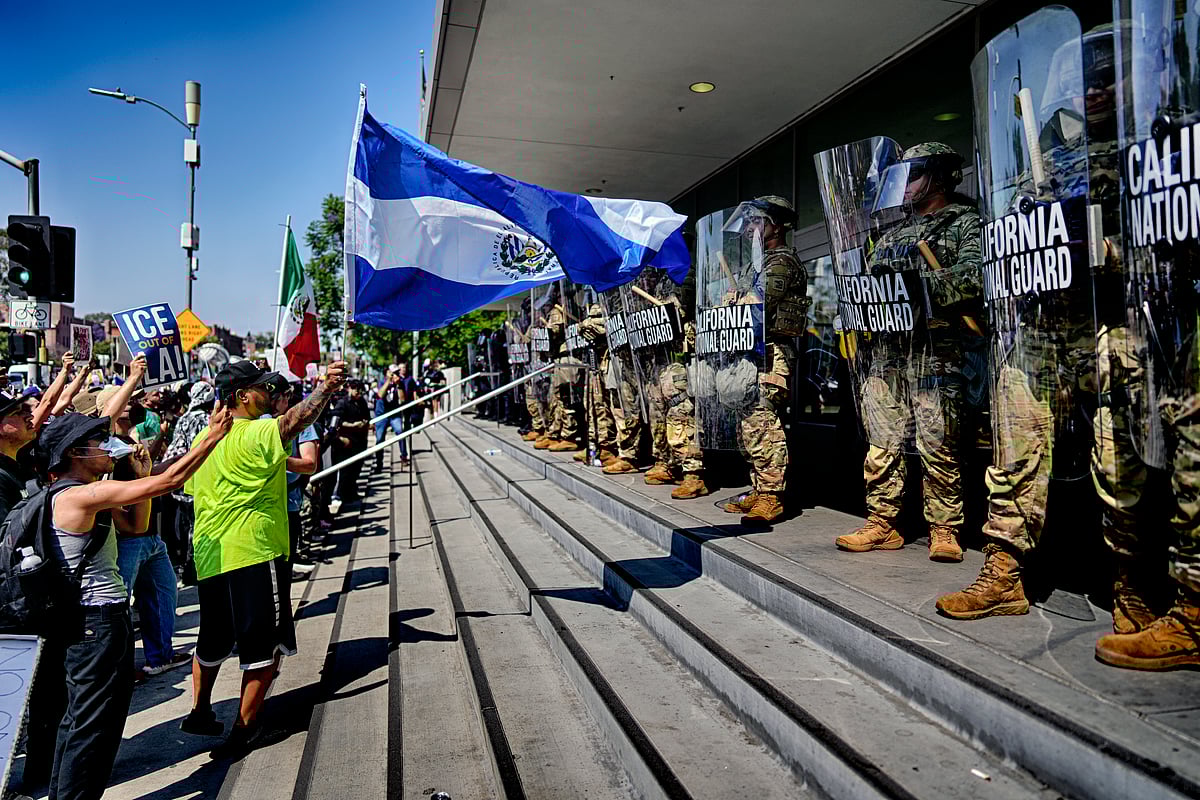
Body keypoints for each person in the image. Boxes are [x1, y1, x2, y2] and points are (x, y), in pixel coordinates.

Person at [40, 407, 233, 800]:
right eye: (98, 444)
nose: (107, 450)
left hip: (94, 621)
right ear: (75, 453)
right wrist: (212, 436)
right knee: (92, 725)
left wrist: (141, 476)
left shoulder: (74, 495)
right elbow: (174, 480)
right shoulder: (81, 495)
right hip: (97, 622)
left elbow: (135, 525)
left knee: (83, 720)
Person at [183, 360, 344, 757]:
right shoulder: (254, 431)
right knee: (263, 646)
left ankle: (200, 712)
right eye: (261, 389)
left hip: (211, 553)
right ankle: (245, 728)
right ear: (241, 396)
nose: (269, 395)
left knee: (214, 637)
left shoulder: (206, 438)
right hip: (254, 551)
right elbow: (294, 422)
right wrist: (325, 388)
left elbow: (187, 486)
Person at [833, 143, 982, 562]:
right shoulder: (890, 235)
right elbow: (870, 290)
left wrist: (918, 291)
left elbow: (974, 278)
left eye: (914, 176)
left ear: (939, 176)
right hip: (888, 353)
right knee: (882, 441)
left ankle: (944, 527)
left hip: (937, 353)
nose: (906, 186)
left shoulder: (964, 222)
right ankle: (882, 523)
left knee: (939, 441)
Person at [719, 196, 811, 524]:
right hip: (749, 353)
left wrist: (734, 301)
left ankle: (772, 495)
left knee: (763, 422)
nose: (748, 229)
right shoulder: (755, 264)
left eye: (756, 222)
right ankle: (759, 488)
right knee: (749, 424)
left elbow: (758, 304)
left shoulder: (782, 261)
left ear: (777, 225)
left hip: (771, 355)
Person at [162, 381, 217, 585]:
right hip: (202, 483)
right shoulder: (209, 421)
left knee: (187, 529)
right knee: (199, 528)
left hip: (183, 482)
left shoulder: (184, 419)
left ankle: (188, 568)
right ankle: (197, 568)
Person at [330, 379, 369, 512]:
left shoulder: (362, 402)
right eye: (355, 388)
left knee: (356, 469)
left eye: (359, 389)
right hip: (347, 441)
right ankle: (341, 494)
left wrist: (365, 423)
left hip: (360, 440)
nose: (358, 391)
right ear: (349, 389)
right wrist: (352, 425)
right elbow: (336, 422)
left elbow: (367, 416)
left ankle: (352, 493)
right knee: (345, 471)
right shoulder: (343, 403)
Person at [374, 364, 407, 469]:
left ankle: (404, 456)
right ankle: (379, 462)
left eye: (397, 372)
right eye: (393, 373)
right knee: (380, 438)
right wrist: (388, 381)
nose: (395, 375)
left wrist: (399, 385)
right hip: (381, 413)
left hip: (394, 413)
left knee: (400, 432)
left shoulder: (399, 383)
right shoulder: (382, 382)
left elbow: (402, 400)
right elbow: (380, 395)